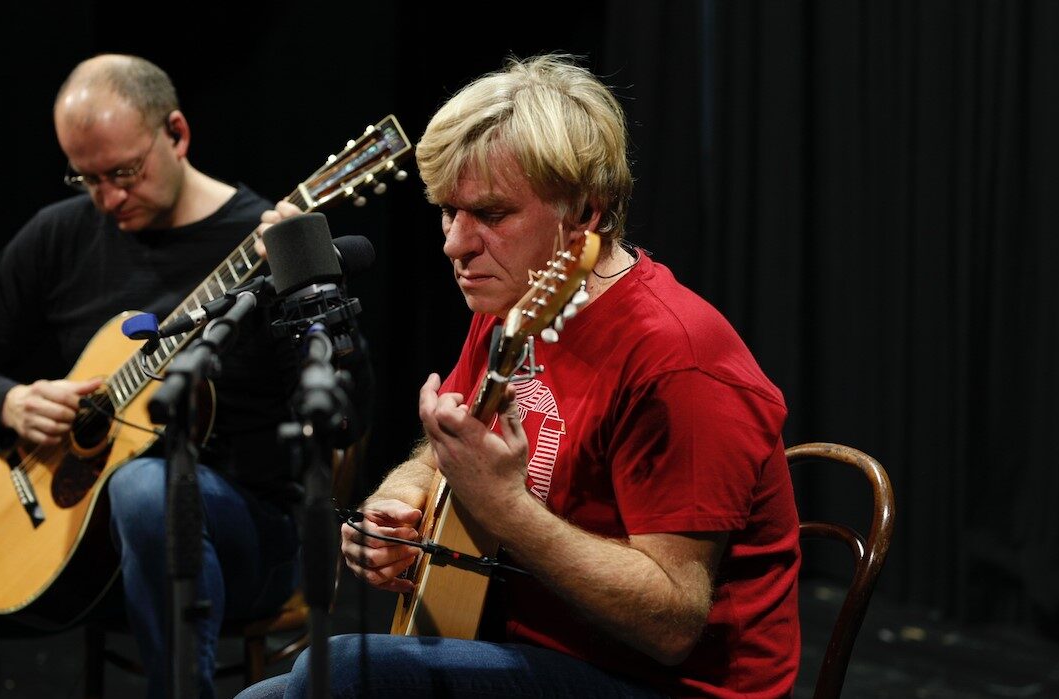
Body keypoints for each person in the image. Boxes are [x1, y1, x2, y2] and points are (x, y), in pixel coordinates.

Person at [242, 54, 801, 698]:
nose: (455, 244)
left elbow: (672, 622)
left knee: (341, 670)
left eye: (492, 215)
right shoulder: (518, 300)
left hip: (660, 684)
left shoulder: (679, 361)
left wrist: (505, 507)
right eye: (448, 212)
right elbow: (448, 451)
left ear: (586, 213)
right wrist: (398, 505)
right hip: (519, 644)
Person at [0, 54, 303, 699]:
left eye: (124, 172)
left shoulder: (259, 243)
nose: (109, 199)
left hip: (239, 542)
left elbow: (352, 395)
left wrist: (298, 279)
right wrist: (9, 402)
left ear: (175, 134)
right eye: (87, 179)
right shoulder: (63, 234)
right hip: (84, 546)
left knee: (147, 487)